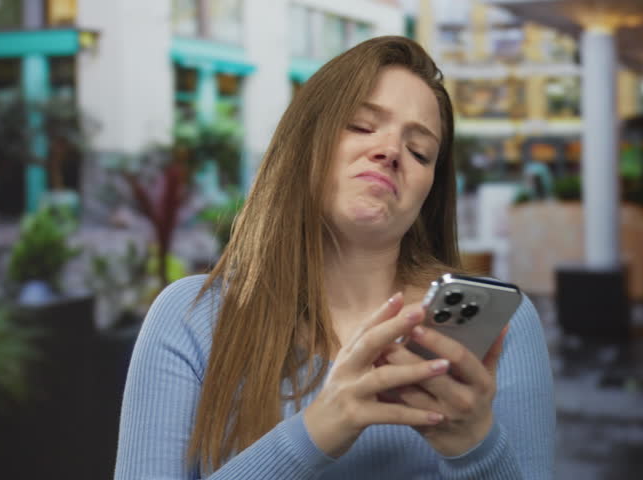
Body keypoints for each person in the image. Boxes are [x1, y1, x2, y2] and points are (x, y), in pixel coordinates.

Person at [114, 36, 555, 479]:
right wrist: (320, 429)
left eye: (420, 151)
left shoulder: (501, 331)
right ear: (304, 143)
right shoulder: (191, 317)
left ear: (429, 192)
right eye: (362, 125)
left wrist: (474, 449)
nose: (391, 151)